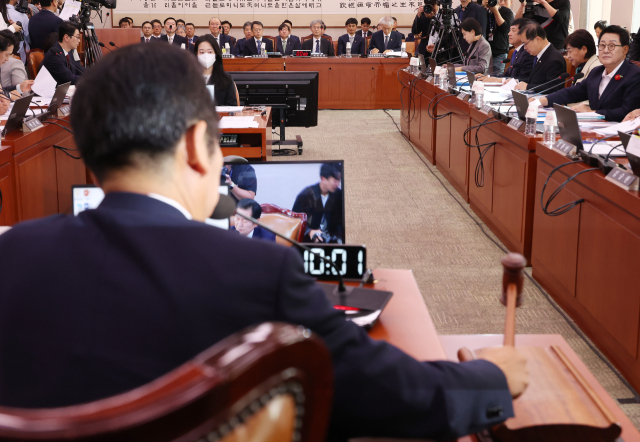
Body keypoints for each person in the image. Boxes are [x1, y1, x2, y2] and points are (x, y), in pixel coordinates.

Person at [0, 41, 528, 441]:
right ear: (195, 147)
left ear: (89, 156)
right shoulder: (258, 273)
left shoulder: (12, 256)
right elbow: (380, 392)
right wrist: (486, 379)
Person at [538, 26, 640, 122]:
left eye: (611, 46)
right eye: (602, 45)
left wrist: (592, 113)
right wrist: (541, 101)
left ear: (625, 50)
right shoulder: (597, 72)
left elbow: (627, 111)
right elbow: (572, 93)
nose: (605, 50)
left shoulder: (634, 75)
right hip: (594, 129)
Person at [292, 163, 344, 244]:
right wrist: (310, 231)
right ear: (323, 179)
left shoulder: (339, 195)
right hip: (309, 242)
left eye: (339, 180)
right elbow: (295, 220)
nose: (338, 183)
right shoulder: (305, 195)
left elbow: (341, 222)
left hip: (332, 241)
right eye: (335, 180)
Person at [513, 23, 567, 93]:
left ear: (538, 39)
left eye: (525, 43)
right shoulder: (540, 55)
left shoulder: (554, 59)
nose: (524, 48)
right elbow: (535, 80)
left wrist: (527, 87)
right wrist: (517, 81)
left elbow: (553, 87)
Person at [477, 18, 534, 83]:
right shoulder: (516, 52)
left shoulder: (528, 52)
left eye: (513, 30)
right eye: (510, 30)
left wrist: (500, 80)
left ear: (524, 33)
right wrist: (488, 76)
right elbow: (507, 75)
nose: (509, 34)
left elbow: (524, 79)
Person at [195, 35, 237, 107]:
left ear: (216, 54)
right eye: (202, 52)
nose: (206, 55)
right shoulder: (188, 79)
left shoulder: (226, 79)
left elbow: (232, 106)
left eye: (210, 52)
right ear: (196, 54)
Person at [41, 21, 84, 85]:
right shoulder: (54, 55)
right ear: (66, 38)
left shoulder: (68, 52)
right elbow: (69, 78)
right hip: (54, 93)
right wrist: (89, 79)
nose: (79, 40)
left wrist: (95, 74)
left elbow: (78, 69)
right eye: (77, 37)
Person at [484, 0, 514, 75]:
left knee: (496, 77)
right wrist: (482, 7)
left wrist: (496, 11)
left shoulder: (507, 11)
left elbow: (506, 29)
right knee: (484, 77)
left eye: (505, 0)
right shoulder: (487, 11)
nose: (502, 2)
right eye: (500, 0)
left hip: (499, 52)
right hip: (485, 51)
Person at [0, 30, 33, 96]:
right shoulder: (14, 63)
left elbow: (1, 91)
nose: (7, 59)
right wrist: (10, 96)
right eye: (6, 55)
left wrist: (19, 88)